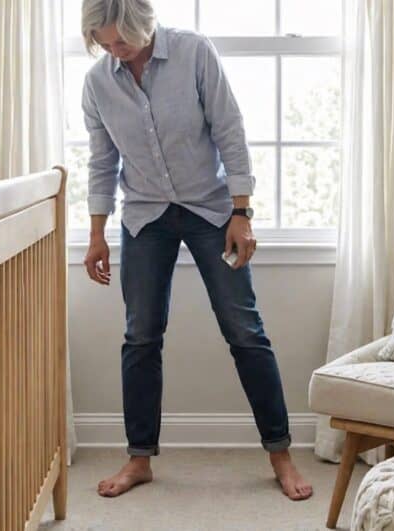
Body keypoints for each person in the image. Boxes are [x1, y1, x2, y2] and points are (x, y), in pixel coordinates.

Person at [80, 0, 313, 501]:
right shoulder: (98, 84)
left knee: (244, 329)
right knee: (140, 335)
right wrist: (96, 232)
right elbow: (102, 162)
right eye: (104, 42)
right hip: (144, 217)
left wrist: (241, 212)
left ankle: (281, 455)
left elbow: (230, 129)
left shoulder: (193, 53)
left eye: (121, 40)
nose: (114, 50)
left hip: (211, 212)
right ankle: (139, 458)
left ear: (145, 27)